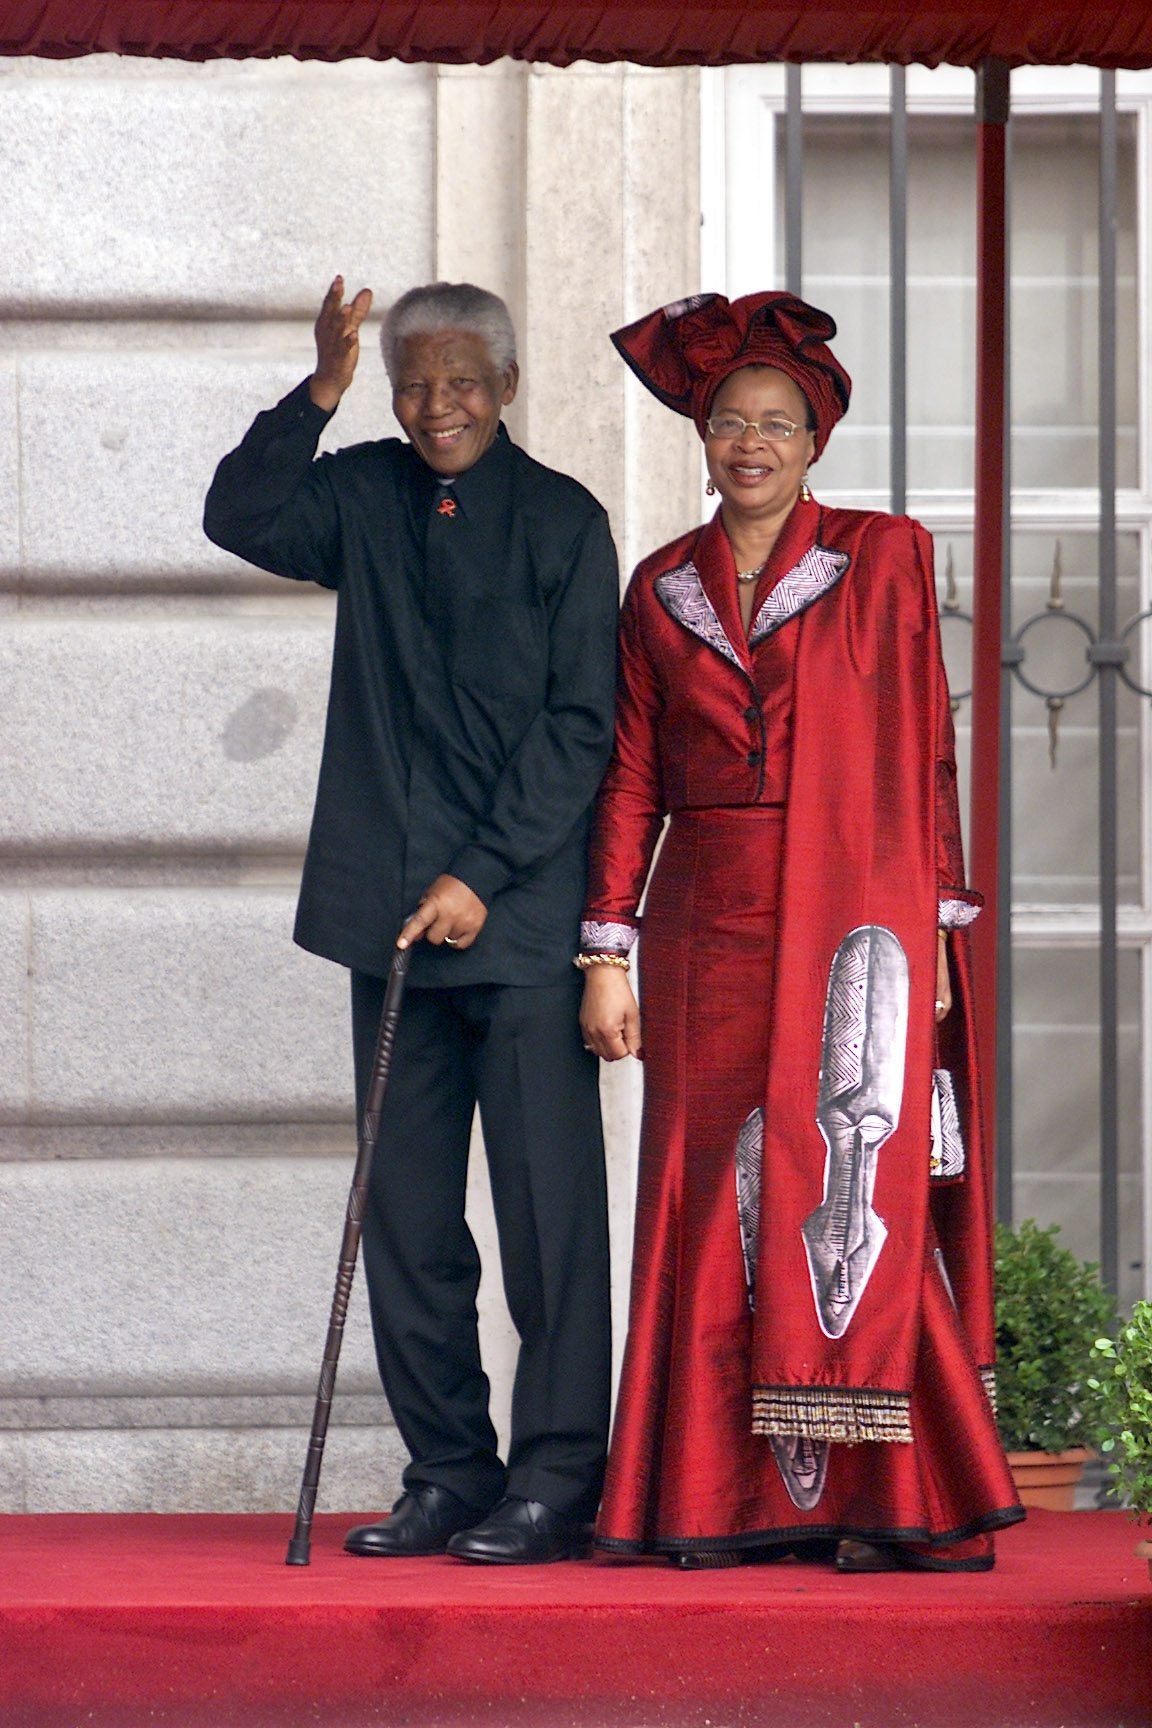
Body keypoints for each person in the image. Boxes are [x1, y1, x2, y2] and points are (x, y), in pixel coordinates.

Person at [578, 291, 1023, 1571]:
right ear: (702, 435)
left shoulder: (884, 555)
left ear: (816, 439)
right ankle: (710, 1502)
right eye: (731, 421)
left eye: (777, 422)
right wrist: (606, 949)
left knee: (847, 1184)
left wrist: (934, 930)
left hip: (852, 920)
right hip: (705, 923)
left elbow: (925, 752)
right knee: (706, 1192)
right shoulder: (660, 583)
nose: (752, 443)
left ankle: (892, 1503)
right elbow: (630, 777)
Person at [205, 278, 619, 1565]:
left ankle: (558, 1482)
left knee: (548, 1225)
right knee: (409, 1221)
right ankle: (448, 1471)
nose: (438, 407)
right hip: (389, 925)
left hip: (520, 928)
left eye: (462, 383)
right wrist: (319, 392)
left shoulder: (563, 521)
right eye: (413, 385)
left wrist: (481, 873)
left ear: (507, 388)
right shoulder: (363, 494)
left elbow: (581, 729)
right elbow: (241, 515)